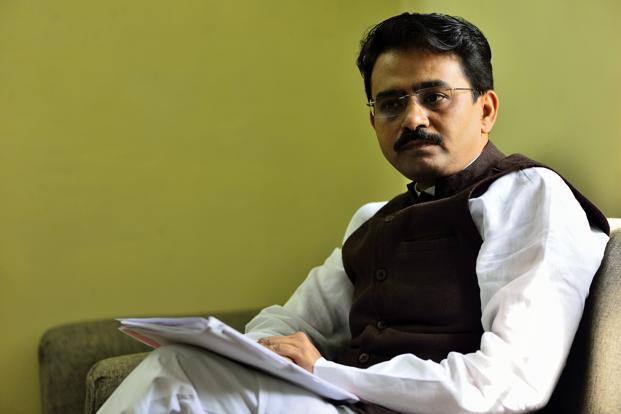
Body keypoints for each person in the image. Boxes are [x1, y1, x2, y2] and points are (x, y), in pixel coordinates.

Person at [98, 12, 610, 414]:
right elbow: (292, 319)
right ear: (374, 123)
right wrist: (253, 350)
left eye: (435, 97)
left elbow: (509, 382)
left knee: (179, 376)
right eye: (391, 104)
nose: (413, 118)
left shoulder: (528, 193)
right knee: (182, 363)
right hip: (347, 404)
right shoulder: (373, 220)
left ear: (486, 109)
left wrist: (326, 372)